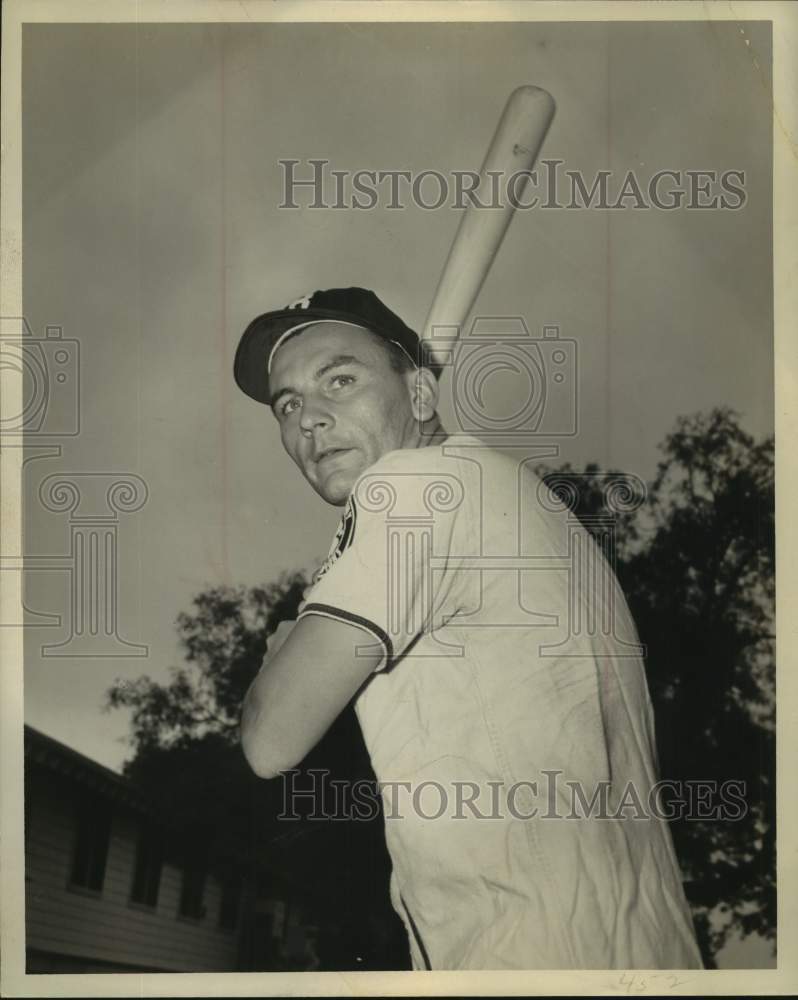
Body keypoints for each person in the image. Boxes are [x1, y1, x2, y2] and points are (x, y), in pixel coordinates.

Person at [234, 287, 703, 971]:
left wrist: (279, 659)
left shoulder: (411, 491)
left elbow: (270, 741)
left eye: (341, 379)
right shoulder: (529, 503)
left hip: (523, 958)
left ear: (420, 394)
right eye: (289, 402)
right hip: (645, 954)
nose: (309, 419)